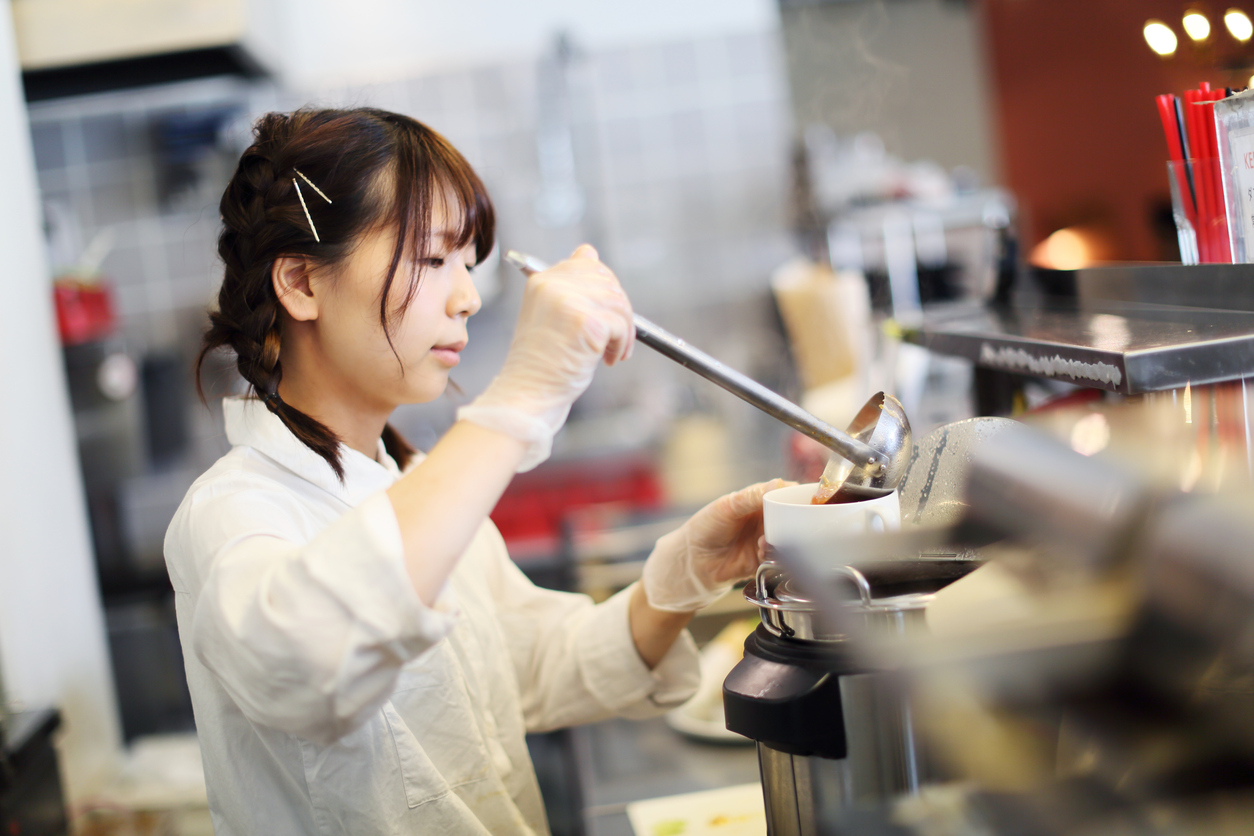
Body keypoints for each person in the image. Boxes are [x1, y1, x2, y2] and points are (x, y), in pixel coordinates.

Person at [164, 107, 785, 835]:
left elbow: (534, 667)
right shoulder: (232, 512)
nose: (470, 297)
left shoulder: (408, 477)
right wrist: (518, 401)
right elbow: (308, 660)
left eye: (469, 263)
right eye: (432, 260)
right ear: (301, 281)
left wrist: (682, 577)